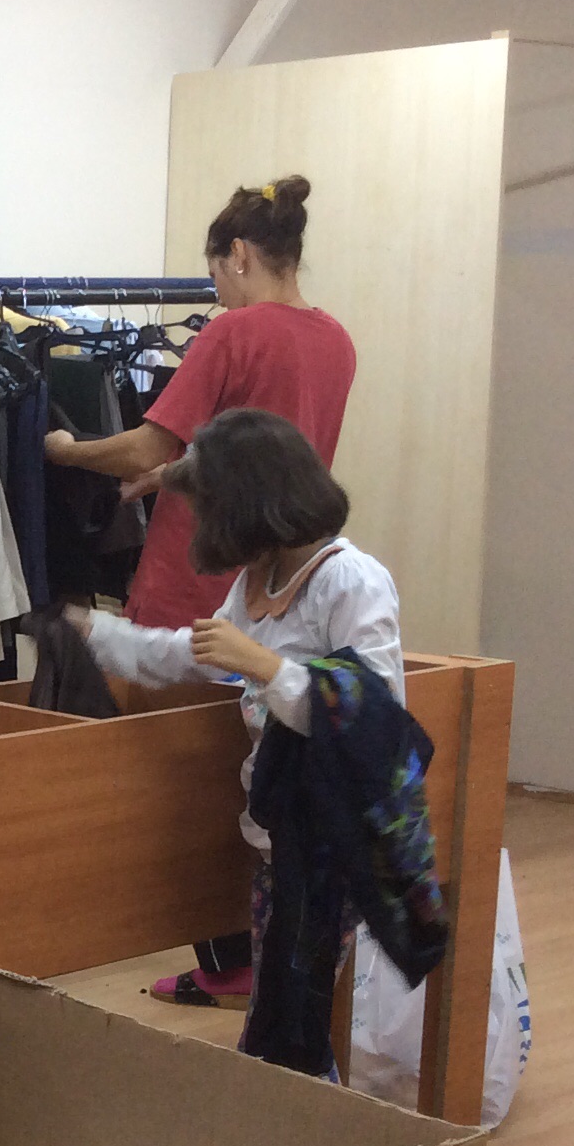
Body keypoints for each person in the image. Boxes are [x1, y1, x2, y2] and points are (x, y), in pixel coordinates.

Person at [46, 174, 357, 1009]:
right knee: (244, 771)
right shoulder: (336, 342)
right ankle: (252, 954)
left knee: (180, 786)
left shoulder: (231, 333)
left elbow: (144, 446)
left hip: (198, 574)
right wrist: (182, 473)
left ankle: (227, 965)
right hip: (281, 580)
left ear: (241, 254)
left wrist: (66, 450)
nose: (213, 290)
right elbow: (263, 453)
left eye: (215, 270)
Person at [69, 409, 402, 1061]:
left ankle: (298, 1118)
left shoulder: (351, 582)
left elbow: (374, 718)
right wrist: (96, 634)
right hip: (278, 839)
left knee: (287, 1031)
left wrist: (265, 667)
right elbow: (192, 655)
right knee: (282, 1022)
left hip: (332, 845)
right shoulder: (259, 581)